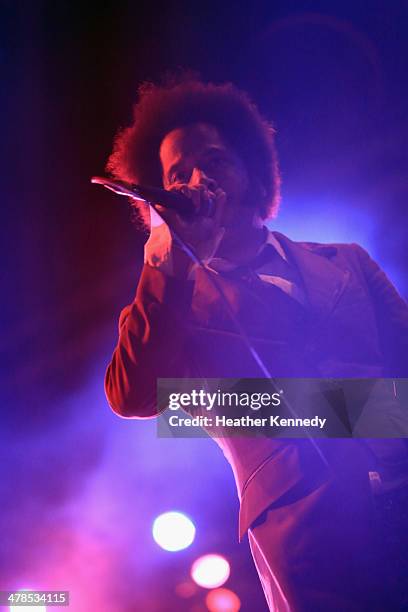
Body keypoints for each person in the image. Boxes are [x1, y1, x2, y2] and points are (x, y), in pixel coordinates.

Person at [104, 77, 408, 611]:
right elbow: (132, 397)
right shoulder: (170, 301)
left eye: (215, 160)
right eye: (179, 174)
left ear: (251, 169)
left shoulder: (347, 260)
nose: (199, 179)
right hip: (310, 536)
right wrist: (166, 256)